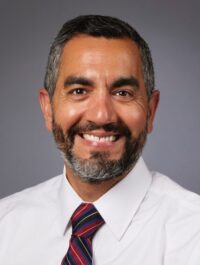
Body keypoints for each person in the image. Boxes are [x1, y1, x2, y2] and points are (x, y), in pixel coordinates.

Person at [0, 15, 200, 265]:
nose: (101, 115)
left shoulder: (193, 234)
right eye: (79, 91)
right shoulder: (5, 226)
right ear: (48, 109)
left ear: (150, 111)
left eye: (122, 93)